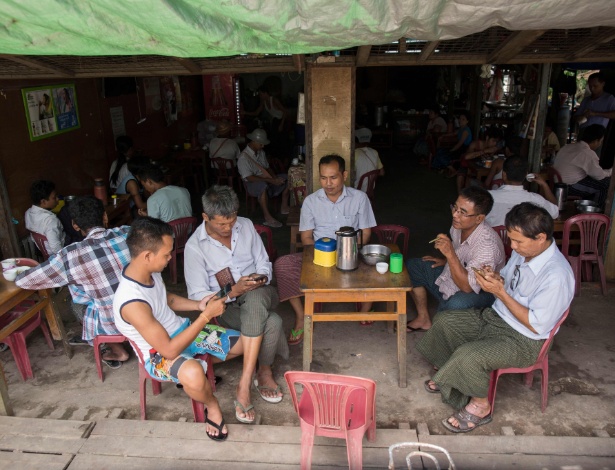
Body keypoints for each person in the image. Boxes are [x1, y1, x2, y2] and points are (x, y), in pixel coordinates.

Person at [417, 203, 574, 433]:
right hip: (496, 318)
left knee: (469, 355)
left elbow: (535, 323)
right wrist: (492, 277)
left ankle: (480, 406)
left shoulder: (556, 276)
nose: (513, 246)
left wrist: (499, 293)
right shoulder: (525, 253)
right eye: (512, 239)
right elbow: (507, 278)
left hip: (524, 339)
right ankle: (450, 374)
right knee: (445, 321)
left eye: (518, 241)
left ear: (541, 237)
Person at [113, 217, 244, 440]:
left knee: (243, 344)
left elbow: (166, 299)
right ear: (147, 256)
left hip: (182, 331)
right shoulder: (132, 302)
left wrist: (198, 305)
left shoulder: (146, 271)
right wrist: (205, 315)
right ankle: (211, 404)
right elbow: (170, 351)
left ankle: (197, 375)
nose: (170, 258)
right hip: (158, 354)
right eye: (166, 254)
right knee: (192, 373)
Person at [184, 185, 288, 424]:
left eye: (231, 221)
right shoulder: (194, 247)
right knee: (273, 321)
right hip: (227, 307)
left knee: (255, 296)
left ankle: (244, 384)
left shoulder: (247, 225)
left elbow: (264, 262)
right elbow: (200, 297)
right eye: (221, 224)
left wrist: (259, 278)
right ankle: (264, 371)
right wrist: (232, 292)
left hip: (262, 293)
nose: (228, 228)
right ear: (205, 217)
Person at [16, 196, 130, 368]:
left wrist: (14, 276)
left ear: (75, 225)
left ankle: (116, 348)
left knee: (76, 303)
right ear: (105, 217)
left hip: (114, 322)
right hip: (146, 310)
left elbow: (27, 281)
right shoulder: (128, 233)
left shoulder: (70, 255)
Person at [274, 154, 377, 341]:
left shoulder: (360, 198)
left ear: (344, 175)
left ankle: (365, 308)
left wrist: (348, 252)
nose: (328, 183)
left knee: (380, 265)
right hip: (320, 254)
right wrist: (323, 255)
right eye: (323, 178)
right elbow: (306, 237)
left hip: (351, 252)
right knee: (282, 265)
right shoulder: (311, 201)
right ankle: (301, 315)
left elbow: (366, 233)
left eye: (333, 177)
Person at [405, 186, 505, 332]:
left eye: (463, 212)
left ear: (479, 218)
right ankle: (423, 318)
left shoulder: (487, 246)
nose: (455, 215)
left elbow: (467, 287)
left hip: (481, 291)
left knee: (455, 304)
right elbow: (462, 255)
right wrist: (446, 261)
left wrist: (450, 254)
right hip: (457, 276)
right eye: (455, 208)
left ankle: (447, 319)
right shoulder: (458, 227)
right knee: (414, 266)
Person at [237, 128, 290, 228]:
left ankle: (284, 207)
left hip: (266, 179)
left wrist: (274, 178)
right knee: (263, 186)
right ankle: (268, 218)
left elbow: (267, 168)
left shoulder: (261, 152)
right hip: (252, 184)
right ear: (254, 141)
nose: (263, 146)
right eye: (261, 144)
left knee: (287, 178)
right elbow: (249, 178)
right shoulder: (243, 158)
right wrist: (270, 180)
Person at [486, 157, 559, 227]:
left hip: (491, 239)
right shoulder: (536, 200)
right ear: (525, 175)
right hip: (523, 239)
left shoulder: (487, 197)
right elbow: (555, 212)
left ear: (504, 174)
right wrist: (544, 185)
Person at [553, 124, 612, 207]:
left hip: (557, 183)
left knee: (593, 182)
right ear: (596, 140)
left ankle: (586, 206)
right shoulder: (587, 153)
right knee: (606, 184)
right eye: (601, 141)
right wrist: (610, 172)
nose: (600, 144)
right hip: (568, 187)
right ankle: (597, 211)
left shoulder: (567, 147)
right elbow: (599, 176)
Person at [454, 127, 504, 191]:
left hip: (482, 169)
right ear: (487, 138)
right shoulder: (475, 144)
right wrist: (484, 151)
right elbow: (466, 157)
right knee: (461, 176)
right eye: (493, 141)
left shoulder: (495, 148)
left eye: (497, 142)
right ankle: (460, 194)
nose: (495, 144)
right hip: (467, 165)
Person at [24, 180, 66, 255]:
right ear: (43, 202)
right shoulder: (50, 220)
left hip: (42, 249)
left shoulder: (28, 213)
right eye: (54, 197)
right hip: (57, 251)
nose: (57, 199)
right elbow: (56, 248)